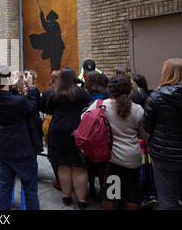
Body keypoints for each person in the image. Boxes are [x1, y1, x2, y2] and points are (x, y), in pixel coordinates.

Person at [86, 75, 149, 210]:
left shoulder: (100, 105)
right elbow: (144, 135)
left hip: (110, 158)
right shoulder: (137, 109)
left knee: (111, 193)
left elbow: (84, 121)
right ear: (129, 90)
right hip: (132, 159)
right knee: (132, 194)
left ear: (110, 89)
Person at [0, 66, 40, 210]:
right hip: (22, 149)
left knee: (5, 186)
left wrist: (9, 84)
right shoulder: (18, 101)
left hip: (3, 147)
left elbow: (4, 94)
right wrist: (31, 87)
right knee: (30, 188)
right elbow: (32, 106)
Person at [40, 68, 93, 209]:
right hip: (77, 131)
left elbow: (47, 110)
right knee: (78, 166)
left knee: (63, 165)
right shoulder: (81, 93)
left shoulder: (53, 93)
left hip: (57, 130)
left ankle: (66, 197)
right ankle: (81, 200)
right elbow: (91, 107)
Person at [143, 58, 182, 210]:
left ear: (166, 73)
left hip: (164, 154)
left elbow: (147, 126)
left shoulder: (156, 97)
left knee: (167, 201)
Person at [83, 70, 109, 199]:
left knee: (90, 164)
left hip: (89, 135)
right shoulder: (106, 94)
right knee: (104, 167)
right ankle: (105, 191)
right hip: (104, 134)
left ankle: (92, 188)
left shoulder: (84, 94)